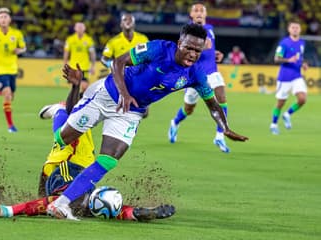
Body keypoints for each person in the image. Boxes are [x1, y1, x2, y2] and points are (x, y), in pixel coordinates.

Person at [46, 23, 249, 220]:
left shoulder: (196, 73)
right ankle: (60, 110)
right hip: (108, 94)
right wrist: (124, 94)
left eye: (197, 50)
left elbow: (212, 104)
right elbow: (118, 62)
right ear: (179, 43)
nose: (192, 54)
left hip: (132, 111)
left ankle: (61, 203)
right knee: (62, 140)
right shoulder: (159, 48)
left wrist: (225, 128)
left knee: (109, 159)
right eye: (188, 48)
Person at [0, 65, 175, 221]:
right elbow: (73, 110)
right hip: (66, 164)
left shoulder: (107, 100)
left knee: (79, 203)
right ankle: (58, 110)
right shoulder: (91, 106)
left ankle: (131, 212)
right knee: (76, 199)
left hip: (70, 166)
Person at [168, 2, 230, 153]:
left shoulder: (209, 29)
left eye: (202, 10)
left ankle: (219, 136)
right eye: (196, 10)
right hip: (194, 74)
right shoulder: (188, 31)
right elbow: (183, 51)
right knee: (189, 109)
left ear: (205, 15)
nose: (199, 12)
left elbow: (209, 47)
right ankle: (175, 122)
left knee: (221, 97)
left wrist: (215, 53)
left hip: (212, 72)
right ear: (191, 15)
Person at [0, 7, 26, 133]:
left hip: (12, 68)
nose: (3, 19)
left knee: (11, 96)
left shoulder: (17, 34)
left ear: (10, 19)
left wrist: (19, 50)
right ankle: (10, 125)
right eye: (1, 17)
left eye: (5, 17)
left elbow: (24, 48)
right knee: (7, 95)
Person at [269, 20, 308, 135]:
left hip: (297, 76)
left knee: (302, 99)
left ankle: (287, 114)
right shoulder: (284, 43)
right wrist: (288, 60)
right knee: (280, 103)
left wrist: (303, 63)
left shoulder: (302, 42)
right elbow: (276, 59)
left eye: (297, 27)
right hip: (284, 78)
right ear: (289, 29)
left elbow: (300, 57)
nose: (295, 29)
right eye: (293, 27)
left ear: (300, 29)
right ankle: (274, 124)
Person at [63, 22, 96, 93]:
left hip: (85, 67)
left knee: (85, 87)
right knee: (73, 88)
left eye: (82, 27)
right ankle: (73, 102)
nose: (80, 28)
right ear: (75, 28)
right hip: (73, 67)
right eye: (78, 27)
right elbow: (66, 53)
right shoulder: (70, 39)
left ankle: (81, 101)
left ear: (84, 28)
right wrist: (65, 64)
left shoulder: (89, 40)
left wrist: (93, 66)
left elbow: (92, 54)